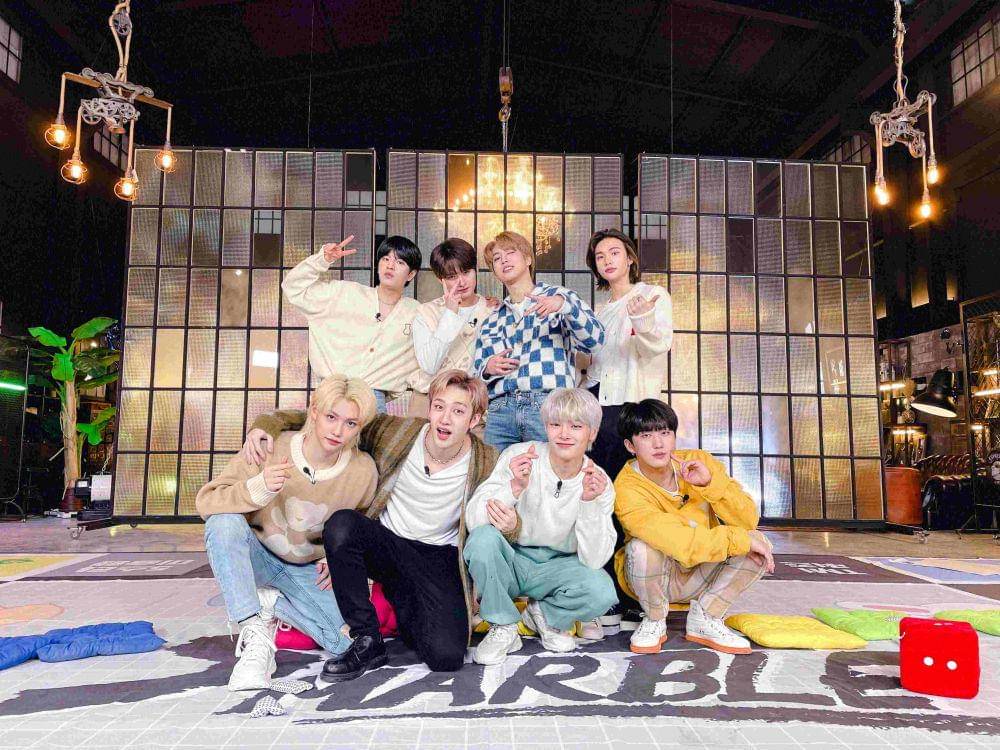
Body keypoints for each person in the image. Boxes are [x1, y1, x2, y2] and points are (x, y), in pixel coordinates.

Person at [240, 370, 507, 682]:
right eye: (439, 407)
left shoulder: (487, 460)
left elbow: (502, 517)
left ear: (475, 420)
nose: (445, 419)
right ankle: (367, 639)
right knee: (342, 524)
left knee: (445, 657)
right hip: (388, 544)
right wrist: (265, 425)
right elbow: (329, 418)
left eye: (458, 412)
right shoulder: (397, 432)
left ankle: (401, 599)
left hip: (439, 557)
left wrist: (510, 524)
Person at [195, 375, 379, 691]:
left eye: (350, 423)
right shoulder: (270, 446)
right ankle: (253, 632)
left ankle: (271, 603)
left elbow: (363, 527)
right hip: (256, 555)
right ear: (314, 411)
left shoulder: (363, 472)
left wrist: (340, 558)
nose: (338, 431)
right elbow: (207, 501)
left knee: (345, 643)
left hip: (307, 569)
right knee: (222, 523)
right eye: (331, 417)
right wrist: (258, 488)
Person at [464, 388, 617, 666]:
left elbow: (595, 559)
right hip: (513, 559)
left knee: (602, 591)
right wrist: (513, 487)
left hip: (559, 566)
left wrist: (589, 502)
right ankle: (504, 625)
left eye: (576, 426)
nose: (564, 434)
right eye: (556, 424)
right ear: (546, 427)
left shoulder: (598, 481)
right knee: (482, 540)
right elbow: (474, 521)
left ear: (592, 433)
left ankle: (544, 616)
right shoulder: (519, 455)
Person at [613, 399, 774, 656]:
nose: (658, 443)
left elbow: (747, 520)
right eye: (646, 436)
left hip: (702, 571)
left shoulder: (698, 461)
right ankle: (654, 620)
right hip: (656, 577)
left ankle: (706, 617)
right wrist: (737, 541)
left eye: (665, 432)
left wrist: (710, 484)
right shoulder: (627, 488)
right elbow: (678, 541)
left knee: (758, 542)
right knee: (642, 549)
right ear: (630, 446)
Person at [473, 231, 605, 452]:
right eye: (497, 258)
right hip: (500, 411)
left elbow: (596, 341)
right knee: (494, 471)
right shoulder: (491, 319)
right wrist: (487, 368)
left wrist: (564, 307)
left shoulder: (559, 297)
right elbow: (475, 374)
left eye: (510, 252)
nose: (503, 260)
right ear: (494, 271)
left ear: (528, 259)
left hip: (548, 406)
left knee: (549, 469)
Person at [282, 234, 422, 413]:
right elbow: (293, 288)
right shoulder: (344, 293)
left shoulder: (416, 313)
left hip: (373, 399)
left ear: (411, 274)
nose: (390, 265)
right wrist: (322, 260)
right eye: (385, 259)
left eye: (400, 262)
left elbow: (434, 352)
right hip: (333, 392)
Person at [581, 228, 672, 481]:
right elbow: (592, 364)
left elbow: (658, 345)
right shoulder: (600, 312)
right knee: (597, 478)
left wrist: (642, 319)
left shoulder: (652, 295)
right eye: (600, 257)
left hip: (632, 400)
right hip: (597, 403)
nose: (607, 261)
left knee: (630, 480)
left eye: (614, 253)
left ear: (629, 258)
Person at [407, 238, 495, 420]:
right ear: (440, 279)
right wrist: (450, 313)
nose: (461, 282)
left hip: (472, 404)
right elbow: (429, 365)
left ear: (476, 270)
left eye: (466, 272)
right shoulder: (426, 312)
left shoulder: (492, 310)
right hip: (427, 400)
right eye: (452, 277)